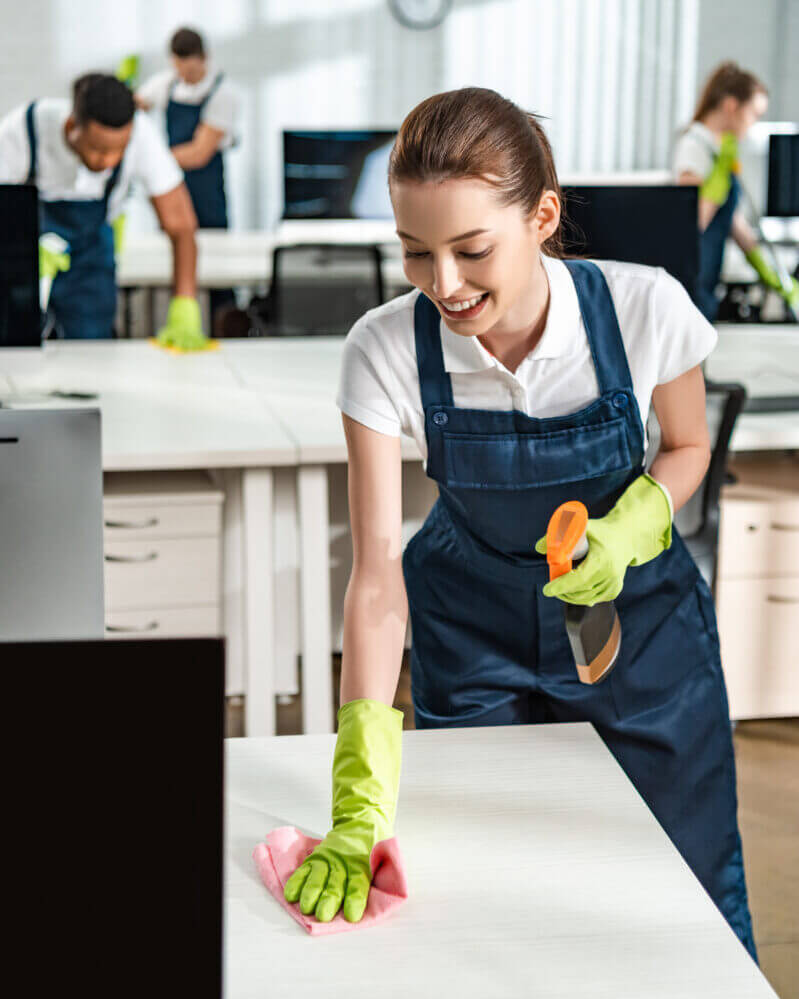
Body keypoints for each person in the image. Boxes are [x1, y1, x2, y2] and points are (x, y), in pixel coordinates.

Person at [282, 88, 758, 961]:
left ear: (541, 217)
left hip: (640, 628)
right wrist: (357, 795)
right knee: (483, 887)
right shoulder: (384, 350)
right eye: (414, 254)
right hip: (470, 629)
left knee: (686, 882)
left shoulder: (642, 307)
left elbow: (687, 446)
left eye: (470, 251)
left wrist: (629, 525)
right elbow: (378, 571)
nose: (443, 286)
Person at [0, 73, 206, 347]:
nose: (109, 160)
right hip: (24, 262)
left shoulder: (141, 134)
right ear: (73, 126)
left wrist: (185, 304)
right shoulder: (24, 130)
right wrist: (18, 252)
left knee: (90, 347)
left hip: (91, 261)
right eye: (98, 150)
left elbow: (181, 226)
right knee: (14, 346)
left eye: (118, 151)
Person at [674, 61, 798, 321]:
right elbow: (688, 225)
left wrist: (772, 275)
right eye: (754, 114)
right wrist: (716, 182)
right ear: (732, 106)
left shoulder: (719, 150)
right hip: (690, 282)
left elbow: (736, 225)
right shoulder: (695, 146)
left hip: (706, 282)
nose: (753, 124)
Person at [137, 26, 240, 321]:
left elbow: (198, 153)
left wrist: (153, 158)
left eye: (192, 69)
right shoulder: (165, 84)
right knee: (172, 264)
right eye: (180, 68)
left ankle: (223, 329)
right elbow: (135, 107)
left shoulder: (224, 93)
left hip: (207, 198)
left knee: (217, 272)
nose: (186, 75)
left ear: (204, 58)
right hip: (173, 192)